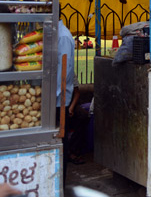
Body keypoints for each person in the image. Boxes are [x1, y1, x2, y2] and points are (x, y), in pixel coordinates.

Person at [57, 20, 84, 181]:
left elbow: (66, 75)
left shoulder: (63, 37)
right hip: (59, 101)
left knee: (61, 140)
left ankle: (60, 180)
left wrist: (70, 107)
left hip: (62, 102)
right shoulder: (55, 35)